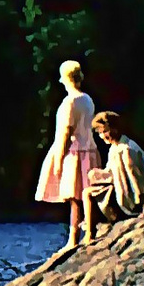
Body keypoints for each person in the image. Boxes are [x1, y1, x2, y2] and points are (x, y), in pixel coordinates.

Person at [33, 60, 101, 248]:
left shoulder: (69, 102)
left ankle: (74, 238)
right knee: (86, 195)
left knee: (74, 198)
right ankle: (88, 232)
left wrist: (58, 160)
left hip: (74, 153)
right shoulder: (87, 99)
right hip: (90, 149)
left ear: (66, 78)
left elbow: (65, 132)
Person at [82, 110, 144, 244]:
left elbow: (137, 177)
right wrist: (97, 175)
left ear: (115, 129)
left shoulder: (127, 148)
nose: (102, 136)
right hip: (124, 192)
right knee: (87, 192)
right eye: (99, 133)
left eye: (104, 132)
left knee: (92, 193)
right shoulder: (115, 148)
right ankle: (89, 233)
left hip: (139, 197)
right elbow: (112, 173)